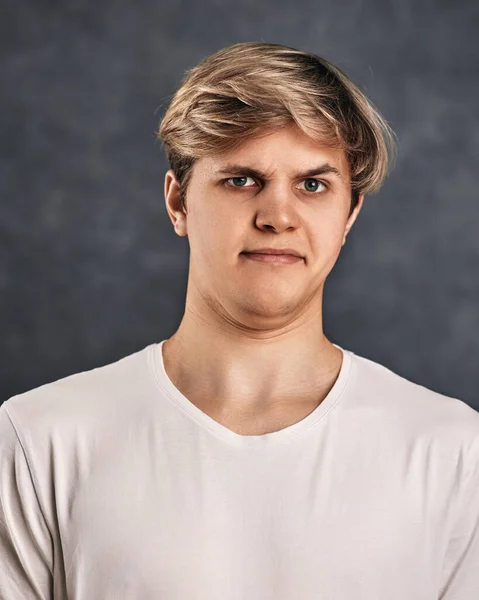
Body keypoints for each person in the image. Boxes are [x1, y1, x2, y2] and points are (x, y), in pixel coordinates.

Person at [1, 41, 478, 600]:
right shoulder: (38, 441)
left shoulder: (453, 453)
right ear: (178, 202)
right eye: (242, 180)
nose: (278, 216)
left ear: (349, 215)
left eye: (313, 185)